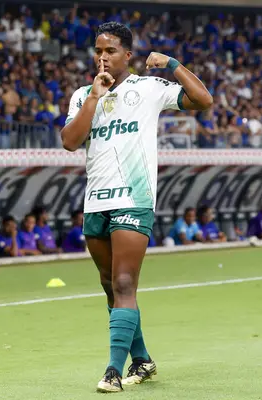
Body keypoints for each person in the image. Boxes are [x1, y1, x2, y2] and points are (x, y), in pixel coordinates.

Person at [60, 21, 212, 392]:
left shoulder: (148, 88)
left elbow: (203, 100)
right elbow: (69, 141)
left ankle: (113, 370)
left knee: (125, 281)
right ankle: (141, 360)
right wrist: (95, 97)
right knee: (110, 286)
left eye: (110, 51)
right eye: (98, 51)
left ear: (127, 54)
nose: (102, 57)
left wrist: (172, 63)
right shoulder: (83, 95)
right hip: (96, 200)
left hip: (134, 198)